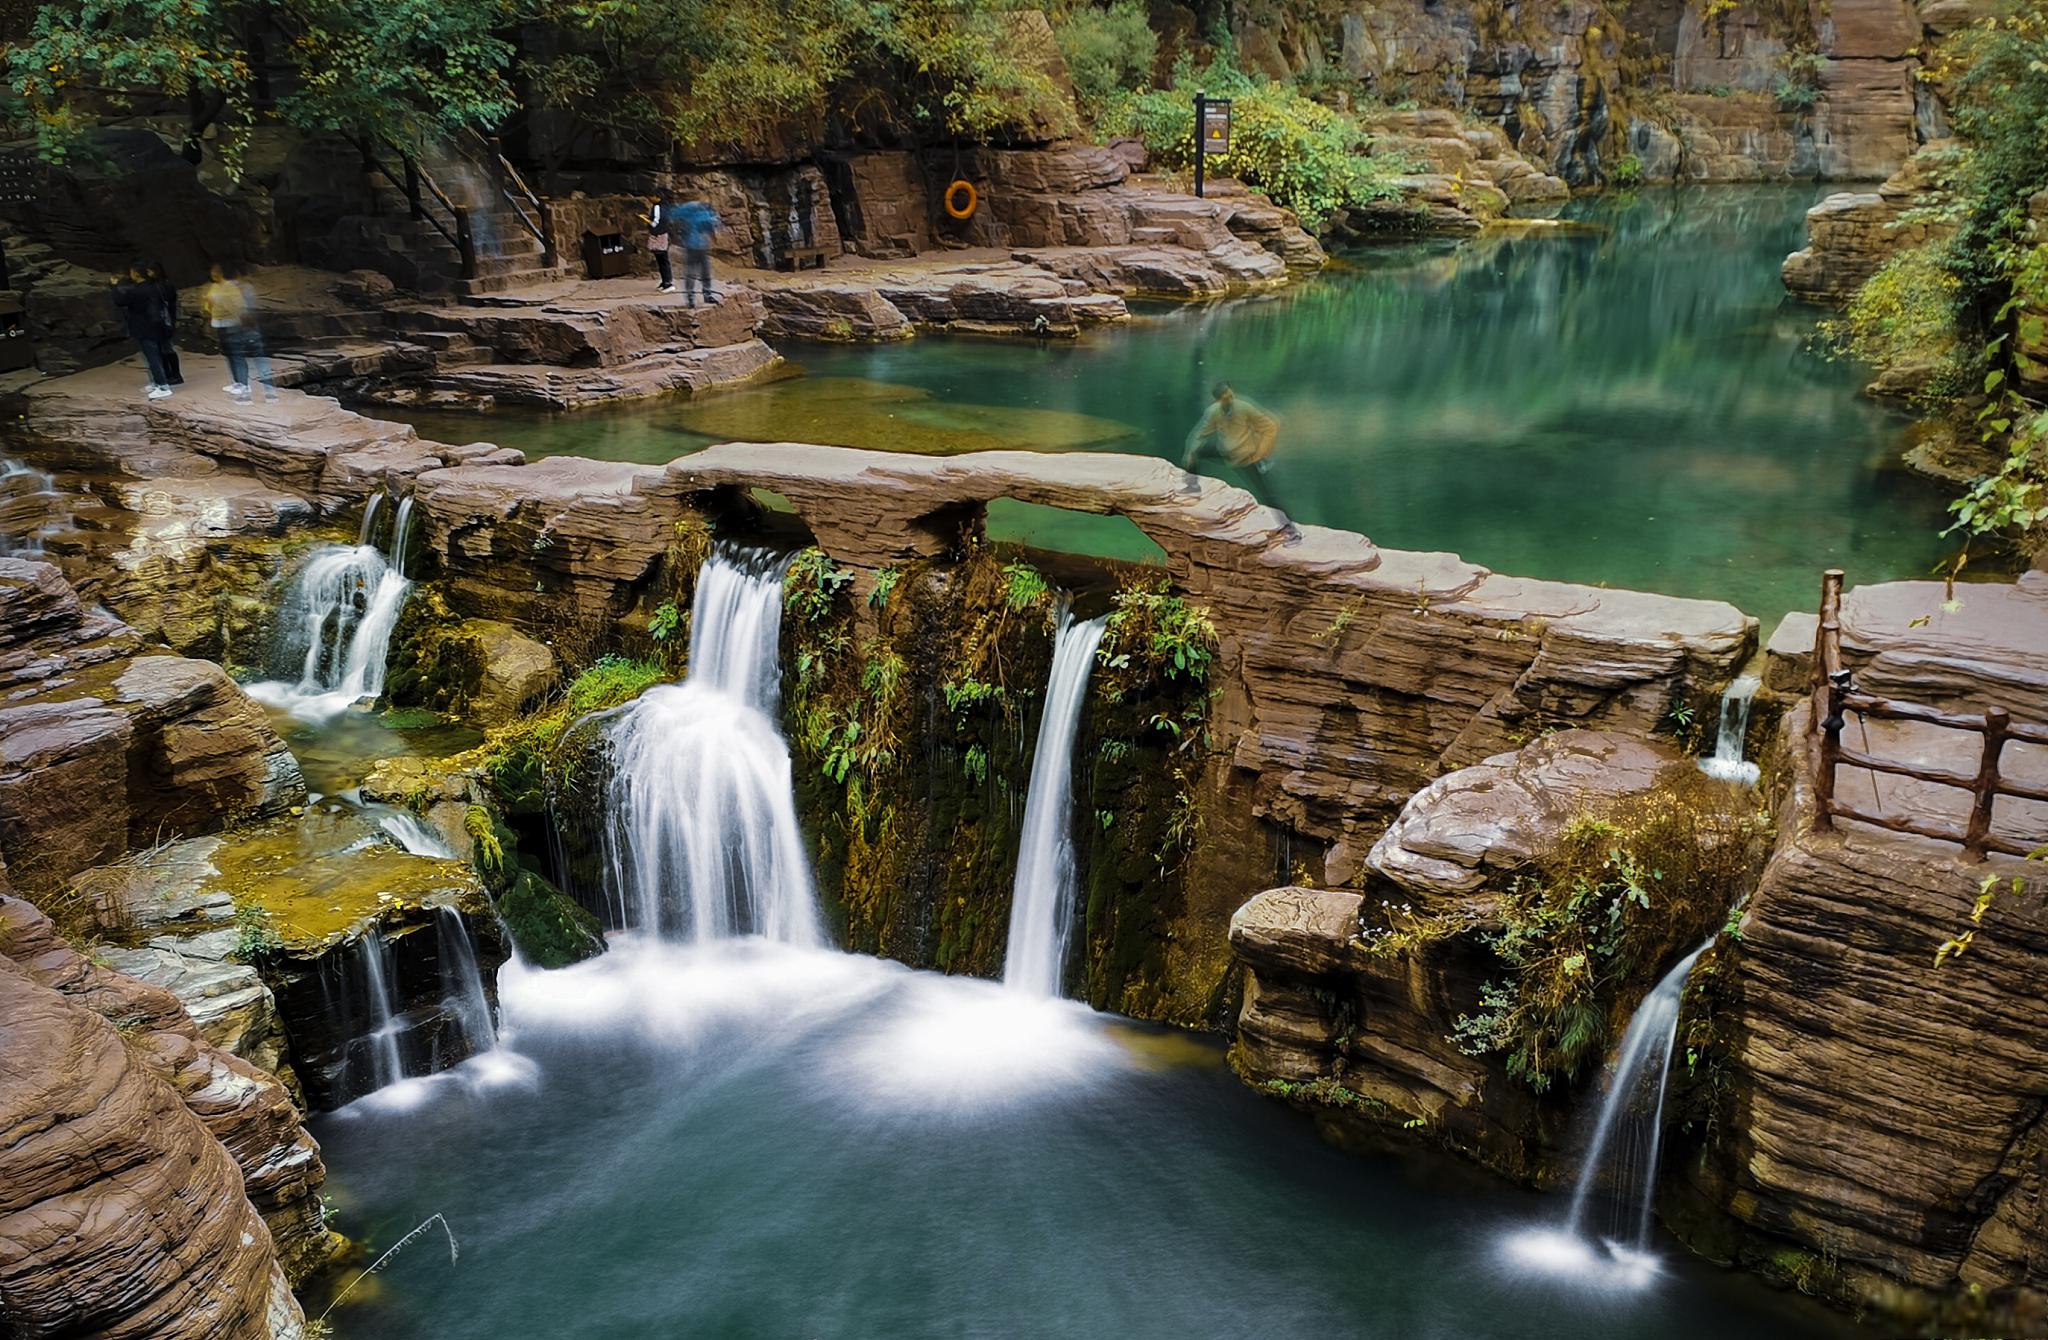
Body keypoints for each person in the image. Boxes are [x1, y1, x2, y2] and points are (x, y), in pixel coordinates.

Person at [1182, 382, 1300, 540]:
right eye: (1225, 398)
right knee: (1194, 452)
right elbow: (1201, 433)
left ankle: (1290, 530)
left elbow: (1270, 425)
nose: (1230, 400)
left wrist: (1261, 452)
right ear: (1217, 401)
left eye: (1231, 396)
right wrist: (1190, 452)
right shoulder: (1214, 412)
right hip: (1226, 453)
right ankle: (1192, 487)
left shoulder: (1244, 407)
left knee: (1267, 495)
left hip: (1247, 458)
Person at [203, 263, 277, 404]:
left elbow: (238, 308)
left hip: (238, 327)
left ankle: (247, 392)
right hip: (242, 327)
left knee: (241, 359)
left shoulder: (231, 289)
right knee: (255, 359)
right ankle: (268, 392)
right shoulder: (234, 288)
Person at [110, 266, 174, 399]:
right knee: (158, 354)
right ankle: (158, 381)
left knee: (151, 356)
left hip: (144, 326)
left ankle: (162, 386)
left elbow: (120, 301)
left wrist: (114, 286)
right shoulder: (156, 286)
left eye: (132, 272)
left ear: (137, 275)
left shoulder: (137, 290)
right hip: (158, 323)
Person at [674, 196, 720, 307]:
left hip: (698, 246)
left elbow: (710, 229)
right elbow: (712, 226)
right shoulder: (700, 215)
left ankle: (694, 298)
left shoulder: (690, 213)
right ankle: (703, 295)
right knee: (698, 272)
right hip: (694, 246)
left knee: (700, 271)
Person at [146, 263, 182, 387]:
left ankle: (173, 374)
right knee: (165, 348)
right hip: (166, 319)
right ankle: (172, 374)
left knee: (165, 348)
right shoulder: (165, 284)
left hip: (162, 320)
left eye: (149, 271)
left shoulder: (160, 286)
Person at [646, 192, 675, 293]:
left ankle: (668, 283)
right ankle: (664, 281)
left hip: (659, 234)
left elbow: (655, 222)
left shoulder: (657, 207)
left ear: (657, 197)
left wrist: (647, 220)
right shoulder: (664, 206)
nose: (650, 198)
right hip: (662, 234)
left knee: (663, 259)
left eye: (651, 196)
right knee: (661, 259)